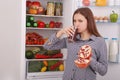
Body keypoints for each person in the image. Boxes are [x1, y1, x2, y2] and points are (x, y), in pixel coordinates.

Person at [43, 7, 108, 80]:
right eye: (74, 21)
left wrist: (89, 60)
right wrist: (61, 32)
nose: (76, 24)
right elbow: (47, 46)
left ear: (89, 21)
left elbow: (103, 71)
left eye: (80, 21)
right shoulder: (70, 39)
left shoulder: (99, 42)